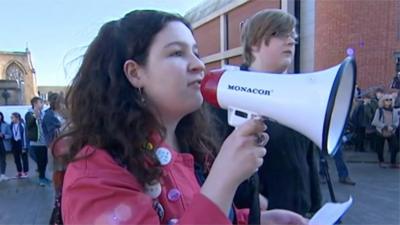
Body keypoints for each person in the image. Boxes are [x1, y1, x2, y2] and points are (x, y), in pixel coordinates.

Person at [57, 10, 307, 225]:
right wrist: (223, 179)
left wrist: (257, 220)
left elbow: (194, 212)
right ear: (135, 73)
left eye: (196, 52)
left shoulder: (192, 150)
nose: (198, 64)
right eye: (177, 53)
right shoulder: (94, 176)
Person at [234, 9, 321, 216]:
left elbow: (308, 159)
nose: (291, 41)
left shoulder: (298, 95)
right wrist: (251, 200)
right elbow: (211, 164)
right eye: (281, 34)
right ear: (254, 43)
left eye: (293, 35)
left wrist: (316, 207)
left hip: (301, 215)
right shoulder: (229, 95)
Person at [25, 96, 51, 186]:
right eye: (41, 103)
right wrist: (35, 117)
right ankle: (41, 179)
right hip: (36, 142)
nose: (42, 104)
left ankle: (43, 177)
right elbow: (29, 124)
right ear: (35, 104)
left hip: (44, 142)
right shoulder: (29, 114)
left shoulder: (42, 113)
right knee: (41, 161)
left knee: (45, 160)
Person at [371, 93, 399, 168]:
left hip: (391, 132)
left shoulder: (394, 111)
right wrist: (385, 126)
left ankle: (393, 163)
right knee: (380, 148)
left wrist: (393, 126)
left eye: (390, 100)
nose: (389, 101)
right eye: (387, 100)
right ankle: (381, 161)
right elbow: (374, 122)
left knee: (395, 147)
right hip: (381, 132)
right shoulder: (379, 111)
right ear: (383, 101)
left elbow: (396, 121)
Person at [10, 112, 29, 178]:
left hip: (21, 142)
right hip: (15, 143)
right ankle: (19, 171)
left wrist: (24, 146)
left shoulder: (22, 125)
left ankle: (25, 172)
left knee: (24, 158)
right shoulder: (11, 125)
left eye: (12, 117)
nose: (11, 119)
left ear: (17, 118)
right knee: (16, 158)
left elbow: (25, 136)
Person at [0, 112, 12, 181]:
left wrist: (3, 136)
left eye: (0, 116)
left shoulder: (6, 125)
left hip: (3, 145)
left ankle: (3, 175)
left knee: (2, 160)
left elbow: (10, 135)